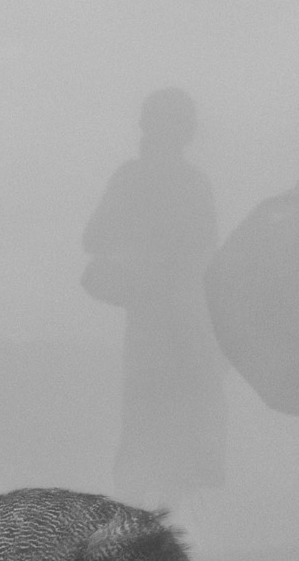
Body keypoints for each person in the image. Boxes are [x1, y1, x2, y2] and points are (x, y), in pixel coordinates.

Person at [81, 88, 225, 510]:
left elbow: (93, 237)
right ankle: (156, 528)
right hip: (179, 322)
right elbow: (208, 258)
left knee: (146, 424)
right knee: (174, 426)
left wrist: (136, 260)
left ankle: (135, 528)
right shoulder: (190, 183)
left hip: (152, 322)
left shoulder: (131, 178)